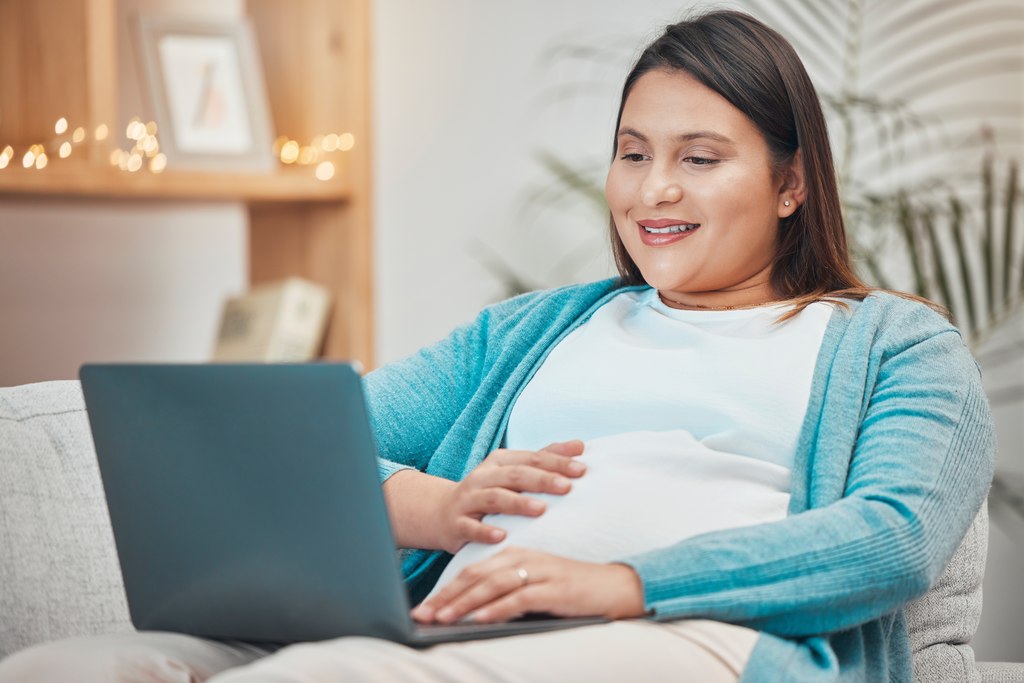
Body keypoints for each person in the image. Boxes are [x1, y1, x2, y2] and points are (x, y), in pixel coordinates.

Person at [0, 8, 995, 683]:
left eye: (700, 159)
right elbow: (314, 441)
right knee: (69, 666)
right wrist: (434, 505)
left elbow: (890, 534)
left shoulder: (897, 344)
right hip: (458, 624)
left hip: (704, 640)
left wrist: (620, 581)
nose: (652, 190)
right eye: (633, 152)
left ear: (791, 184)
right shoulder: (536, 326)